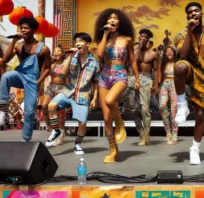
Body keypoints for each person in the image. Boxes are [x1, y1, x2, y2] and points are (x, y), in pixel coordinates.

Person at [173, 2, 204, 165]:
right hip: (188, 70)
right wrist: (189, 30)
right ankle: (182, 105)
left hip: (203, 77)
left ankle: (195, 148)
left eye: (196, 11)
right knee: (179, 67)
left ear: (201, 14)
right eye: (189, 13)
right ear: (187, 17)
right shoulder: (181, 35)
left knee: (200, 115)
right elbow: (182, 55)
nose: (193, 14)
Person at [0, 17, 51, 142]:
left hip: (33, 80)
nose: (23, 30)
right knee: (6, 76)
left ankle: (25, 139)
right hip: (20, 75)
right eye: (21, 28)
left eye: (26, 28)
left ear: (34, 30)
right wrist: (14, 41)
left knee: (29, 112)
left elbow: (47, 68)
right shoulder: (18, 45)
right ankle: (3, 113)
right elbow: (4, 60)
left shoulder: (44, 48)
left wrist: (39, 82)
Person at [95, 9, 140, 163]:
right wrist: (106, 34)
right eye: (110, 18)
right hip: (105, 75)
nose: (112, 20)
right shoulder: (103, 39)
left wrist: (137, 78)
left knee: (109, 100)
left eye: (115, 18)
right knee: (106, 118)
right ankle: (113, 149)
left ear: (120, 22)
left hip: (121, 75)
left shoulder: (127, 39)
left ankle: (120, 121)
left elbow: (132, 60)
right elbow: (100, 55)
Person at [46, 33, 99, 155]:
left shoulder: (93, 62)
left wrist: (95, 97)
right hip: (68, 91)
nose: (78, 43)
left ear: (87, 44)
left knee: (82, 123)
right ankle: (56, 131)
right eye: (76, 41)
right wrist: (69, 56)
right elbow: (63, 73)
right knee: (51, 106)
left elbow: (96, 81)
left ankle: (77, 144)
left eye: (81, 41)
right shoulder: (72, 58)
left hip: (83, 95)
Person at [127, 28, 160, 145]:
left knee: (145, 109)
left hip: (146, 79)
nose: (143, 39)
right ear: (139, 37)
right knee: (132, 108)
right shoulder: (133, 51)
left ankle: (146, 133)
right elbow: (133, 63)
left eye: (146, 37)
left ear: (149, 39)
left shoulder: (153, 54)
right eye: (142, 36)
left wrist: (156, 85)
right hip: (132, 78)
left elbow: (156, 70)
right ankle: (140, 131)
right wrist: (139, 50)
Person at [41, 45, 67, 144]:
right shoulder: (51, 64)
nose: (55, 53)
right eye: (54, 51)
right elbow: (43, 72)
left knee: (60, 113)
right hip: (51, 87)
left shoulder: (65, 63)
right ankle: (49, 126)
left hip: (62, 88)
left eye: (58, 51)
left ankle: (61, 135)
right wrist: (49, 62)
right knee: (44, 105)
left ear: (62, 53)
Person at [158, 46, 178, 144]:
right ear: (165, 54)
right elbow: (159, 75)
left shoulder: (178, 64)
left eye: (171, 51)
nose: (169, 52)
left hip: (175, 85)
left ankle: (174, 134)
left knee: (174, 110)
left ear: (174, 53)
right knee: (162, 106)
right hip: (165, 83)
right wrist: (157, 86)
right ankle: (168, 131)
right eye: (167, 51)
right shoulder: (163, 64)